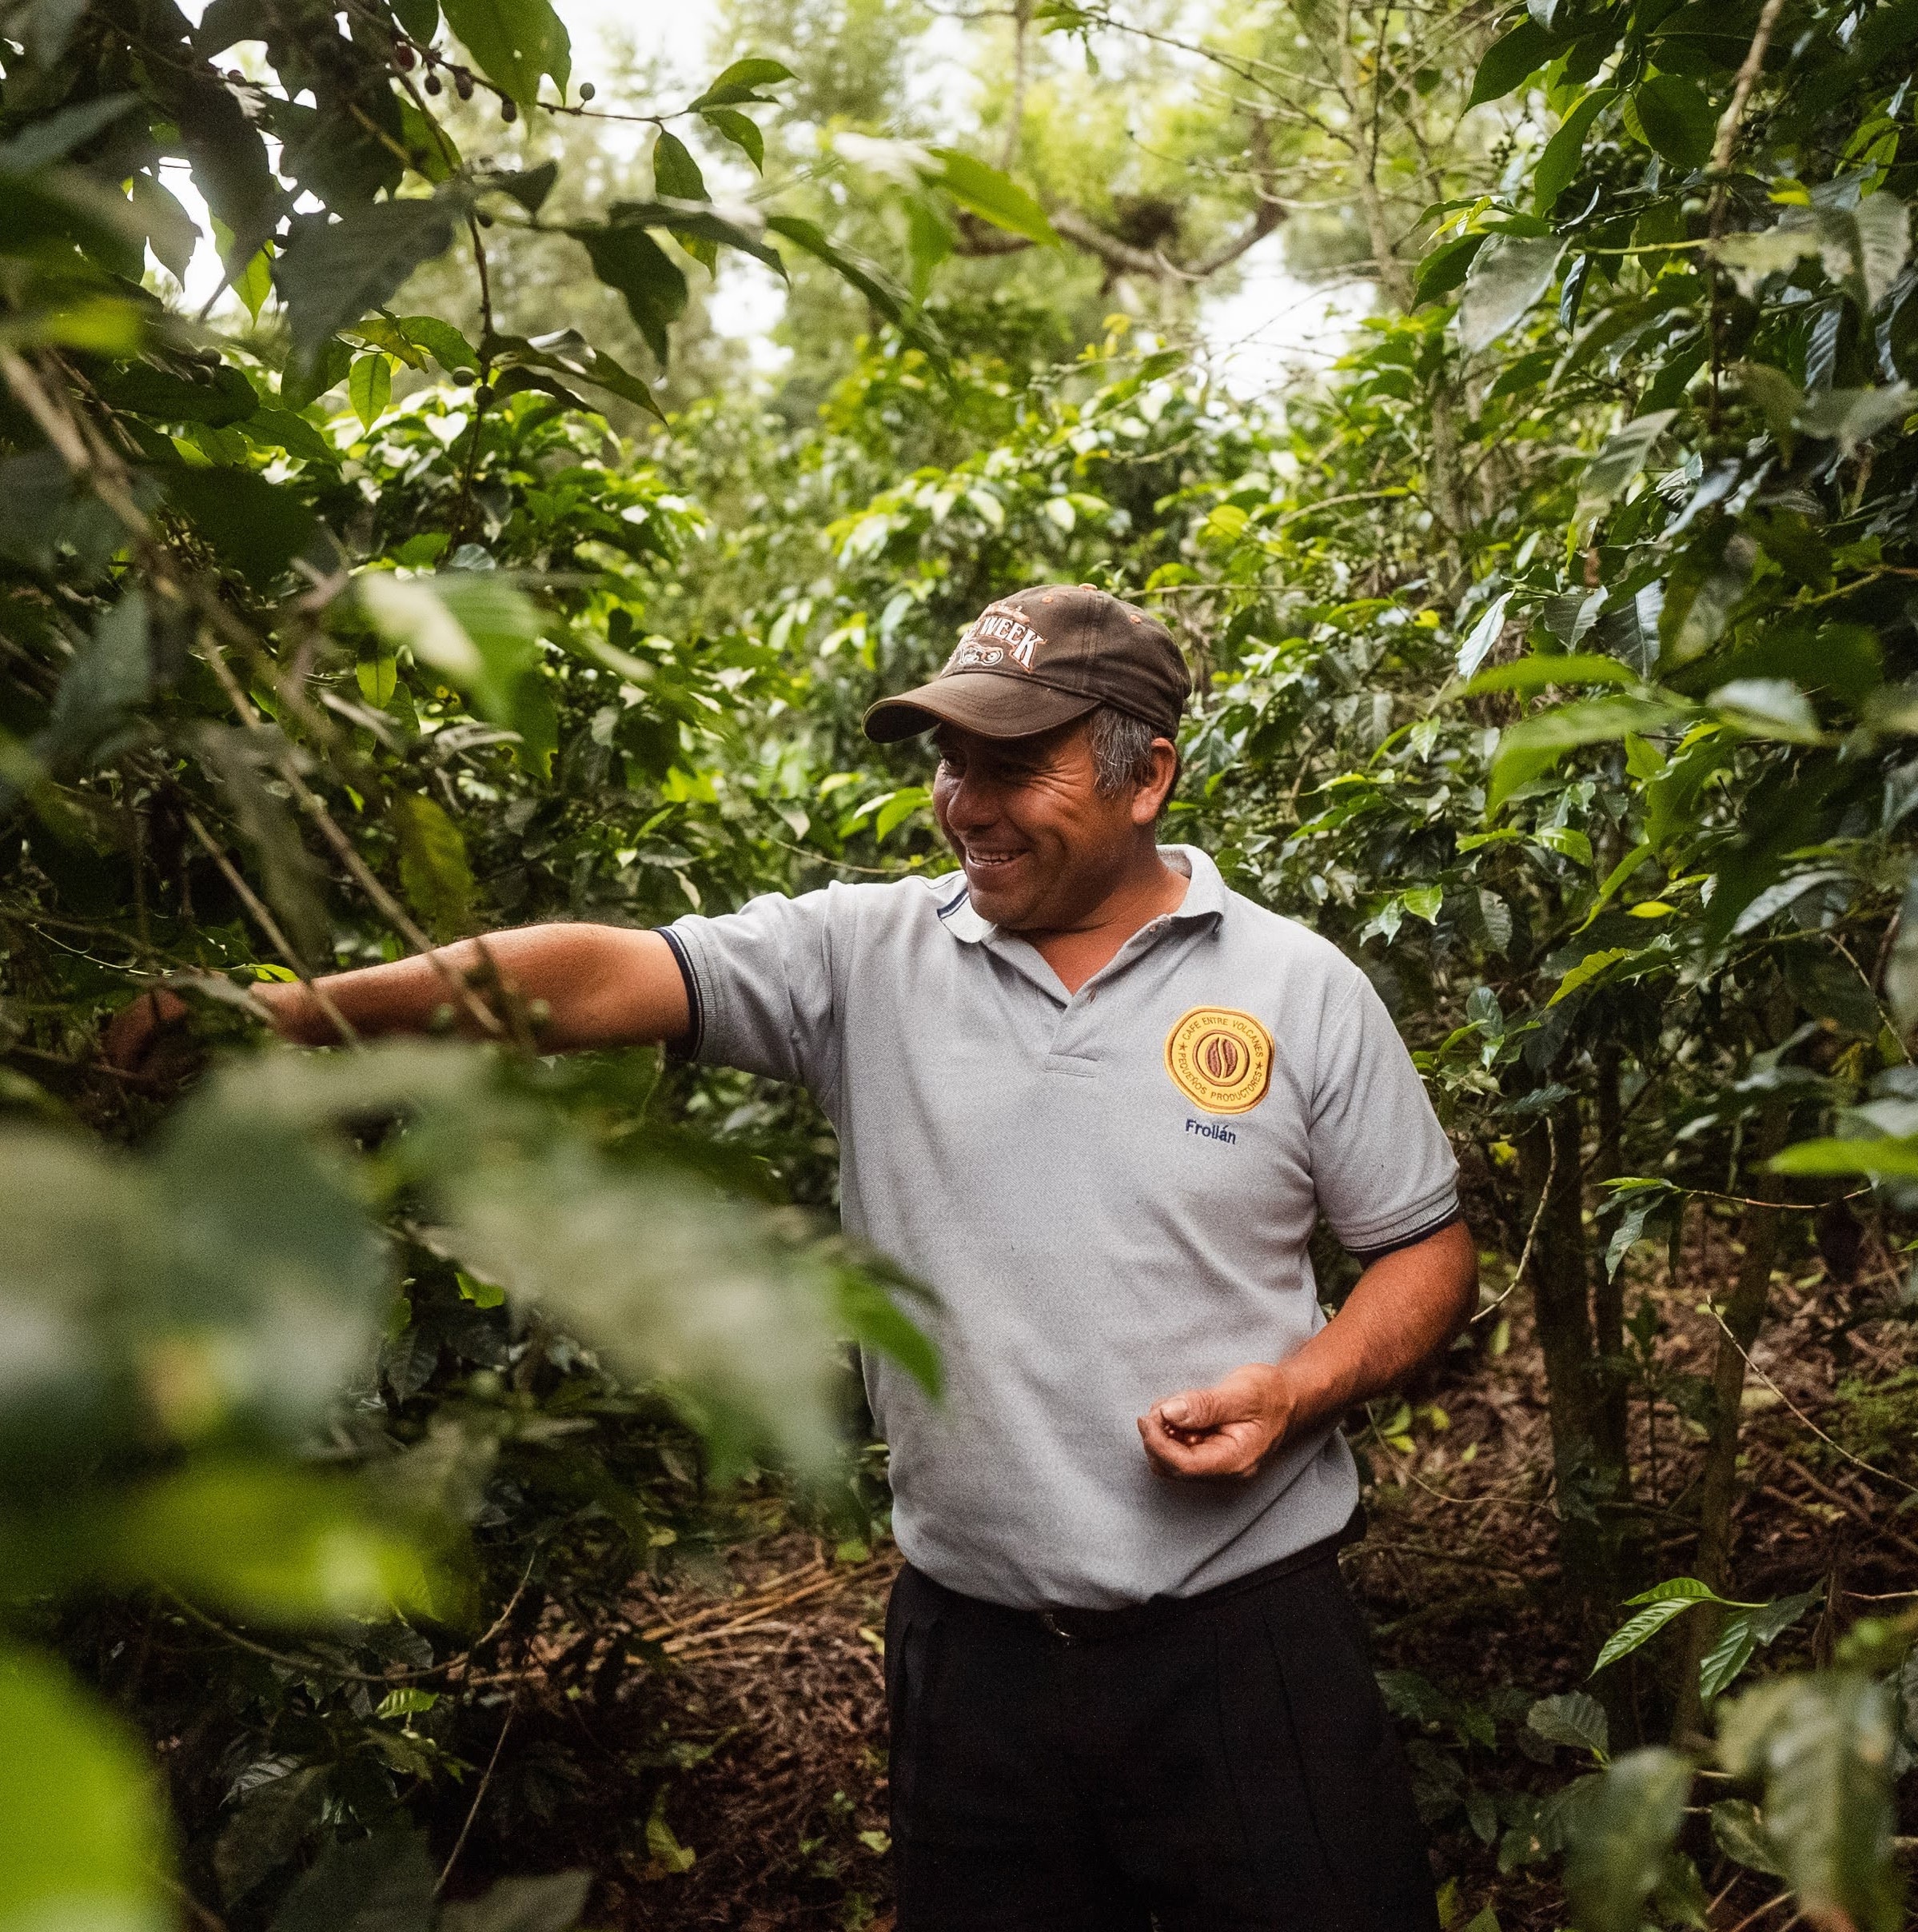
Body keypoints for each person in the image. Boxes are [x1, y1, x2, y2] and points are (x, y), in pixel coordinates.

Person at [110, 583, 1476, 1932]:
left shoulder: (1297, 989)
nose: (966, 803)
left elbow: (1423, 1248)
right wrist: (290, 1015)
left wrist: (1297, 1391)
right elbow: (590, 979)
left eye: (1015, 764)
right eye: (951, 760)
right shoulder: (869, 956)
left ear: (1146, 777)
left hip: (1249, 1649)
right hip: (979, 1669)